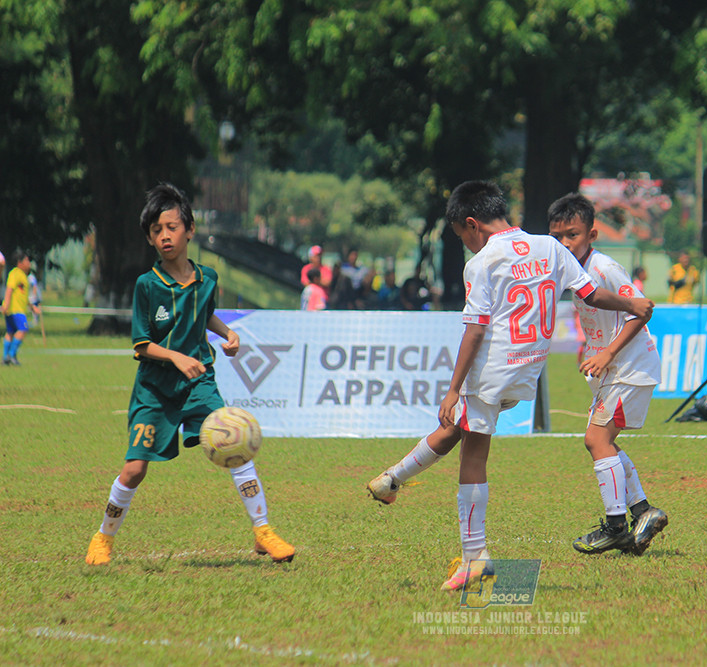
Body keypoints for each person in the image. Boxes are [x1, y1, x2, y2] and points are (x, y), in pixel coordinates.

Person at [365, 181, 653, 591]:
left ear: (472, 224)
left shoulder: (482, 263)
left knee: (472, 452)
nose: (465, 244)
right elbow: (589, 294)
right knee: (456, 429)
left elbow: (477, 328)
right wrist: (630, 304)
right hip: (527, 369)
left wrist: (453, 388)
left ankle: (474, 558)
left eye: (462, 237)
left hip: (490, 370)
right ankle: (392, 480)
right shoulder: (549, 247)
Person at [85, 183, 294, 566]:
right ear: (150, 238)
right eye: (156, 231)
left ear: (190, 229)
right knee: (134, 471)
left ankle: (263, 531)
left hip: (200, 382)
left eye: (171, 227)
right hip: (154, 389)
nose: (165, 236)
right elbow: (141, 345)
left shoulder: (208, 278)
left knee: (237, 446)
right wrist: (177, 357)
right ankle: (103, 537)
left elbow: (204, 315)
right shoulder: (147, 285)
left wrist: (227, 333)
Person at [548, 193, 668, 556]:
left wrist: (607, 352)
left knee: (596, 440)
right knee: (606, 444)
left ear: (592, 235)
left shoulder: (603, 268)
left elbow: (641, 311)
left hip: (630, 365)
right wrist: (592, 348)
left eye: (572, 235)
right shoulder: (572, 271)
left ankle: (616, 526)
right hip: (613, 368)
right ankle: (644, 513)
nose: (564, 243)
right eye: (557, 237)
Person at [2, 252, 39, 365]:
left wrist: (32, 308)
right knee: (23, 329)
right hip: (15, 309)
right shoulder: (15, 273)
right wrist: (6, 304)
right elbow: (9, 289)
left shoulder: (24, 276)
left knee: (11, 332)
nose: (29, 264)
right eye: (27, 261)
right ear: (20, 263)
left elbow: (24, 296)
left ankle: (5, 358)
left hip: (17, 309)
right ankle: (12, 355)